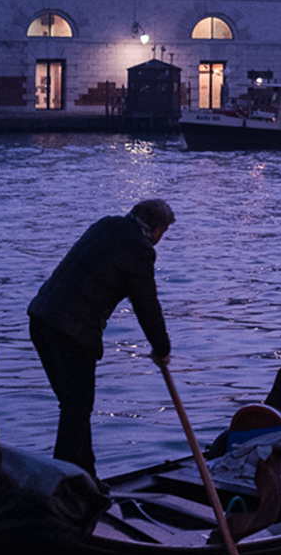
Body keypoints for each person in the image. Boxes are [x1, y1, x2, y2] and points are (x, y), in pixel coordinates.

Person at [26, 197, 176, 483]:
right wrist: (163, 349)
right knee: (76, 409)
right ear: (158, 231)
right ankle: (62, 485)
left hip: (41, 320)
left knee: (74, 409)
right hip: (72, 332)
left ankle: (87, 480)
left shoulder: (106, 225)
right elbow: (147, 304)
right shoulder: (140, 250)